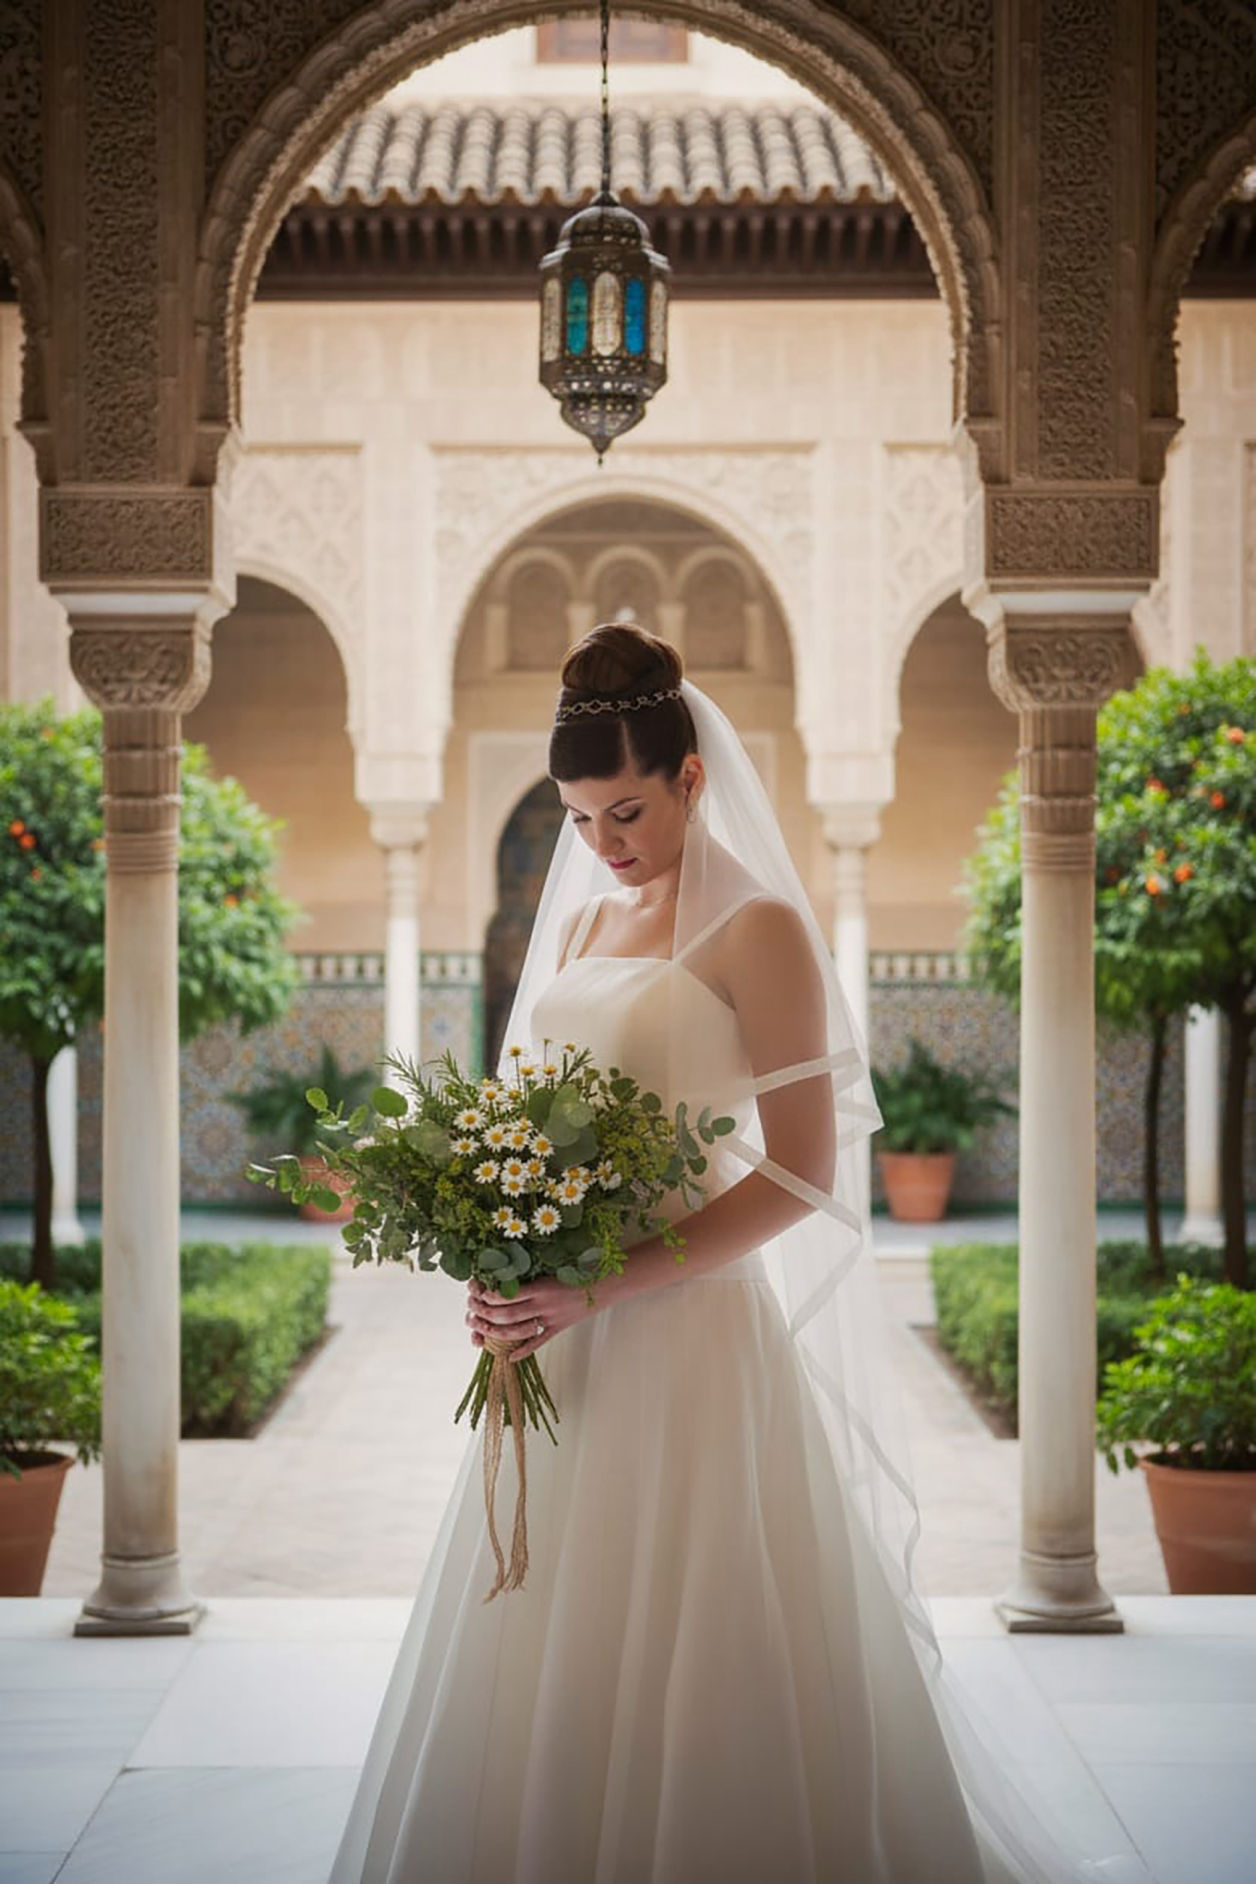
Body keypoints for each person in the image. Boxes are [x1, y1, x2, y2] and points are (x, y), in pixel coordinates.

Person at [329, 625, 1137, 1884]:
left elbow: (801, 1174)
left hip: (688, 1334)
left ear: (692, 777)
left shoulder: (756, 927)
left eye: (627, 809)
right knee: (555, 1638)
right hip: (566, 1345)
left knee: (698, 1639)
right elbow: (527, 1115)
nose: (602, 843)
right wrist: (498, 1256)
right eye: (579, 816)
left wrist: (594, 1283)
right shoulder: (590, 924)